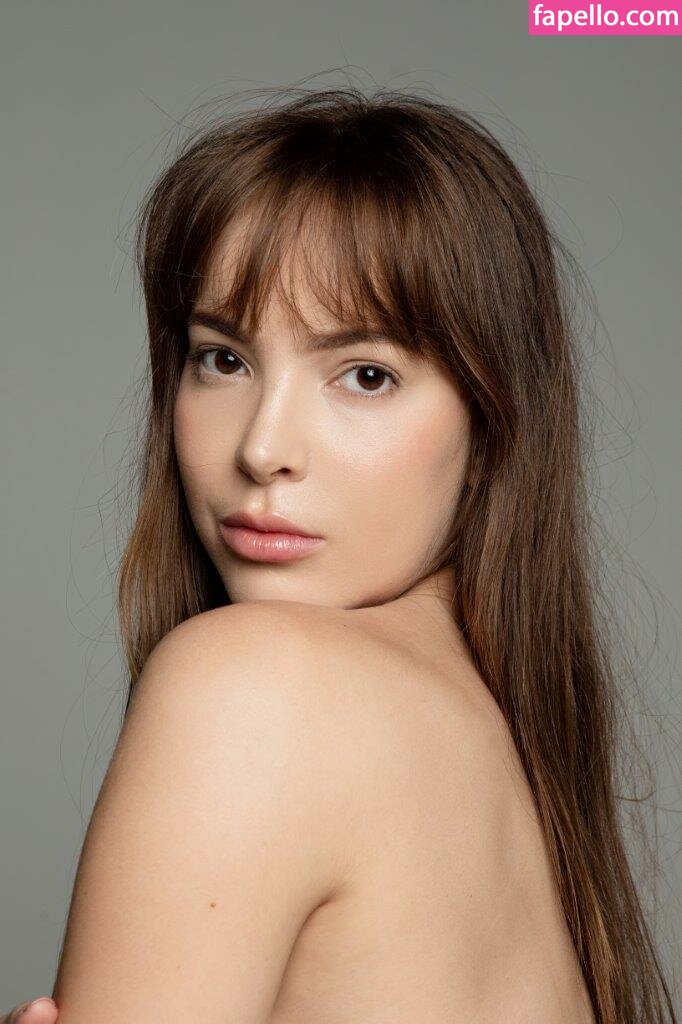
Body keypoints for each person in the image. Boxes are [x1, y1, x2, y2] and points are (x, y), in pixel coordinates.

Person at [6, 85, 676, 1023]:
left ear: (491, 427)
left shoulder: (251, 686)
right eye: (224, 360)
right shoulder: (499, 749)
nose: (262, 448)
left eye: (365, 375)